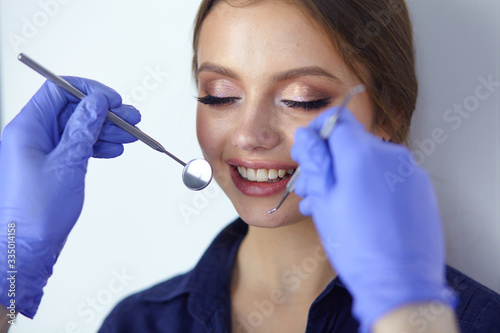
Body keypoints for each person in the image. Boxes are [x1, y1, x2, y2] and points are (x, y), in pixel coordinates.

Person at [1, 0, 499, 332]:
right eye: (221, 96)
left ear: (386, 115)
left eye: (302, 99)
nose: (249, 135)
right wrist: (7, 267)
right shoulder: (139, 323)